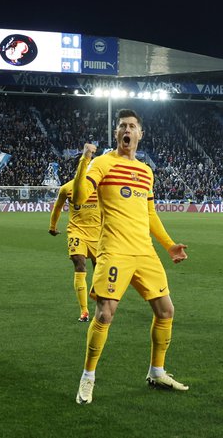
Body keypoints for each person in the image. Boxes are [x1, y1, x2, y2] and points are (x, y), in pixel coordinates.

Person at [71, 108, 189, 405]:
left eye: (132, 126)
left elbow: (149, 213)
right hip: (114, 251)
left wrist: (169, 245)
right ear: (116, 134)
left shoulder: (146, 171)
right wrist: (84, 161)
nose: (127, 129)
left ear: (140, 134)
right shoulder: (102, 162)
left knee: (166, 311)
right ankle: (87, 379)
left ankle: (157, 371)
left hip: (145, 252)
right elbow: (79, 197)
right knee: (105, 313)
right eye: (122, 125)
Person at [49, 178, 101, 322]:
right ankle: (84, 311)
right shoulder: (66, 188)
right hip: (76, 231)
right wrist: (53, 226)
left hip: (98, 232)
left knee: (99, 267)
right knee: (79, 263)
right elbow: (58, 207)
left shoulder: (100, 185)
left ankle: (96, 291)